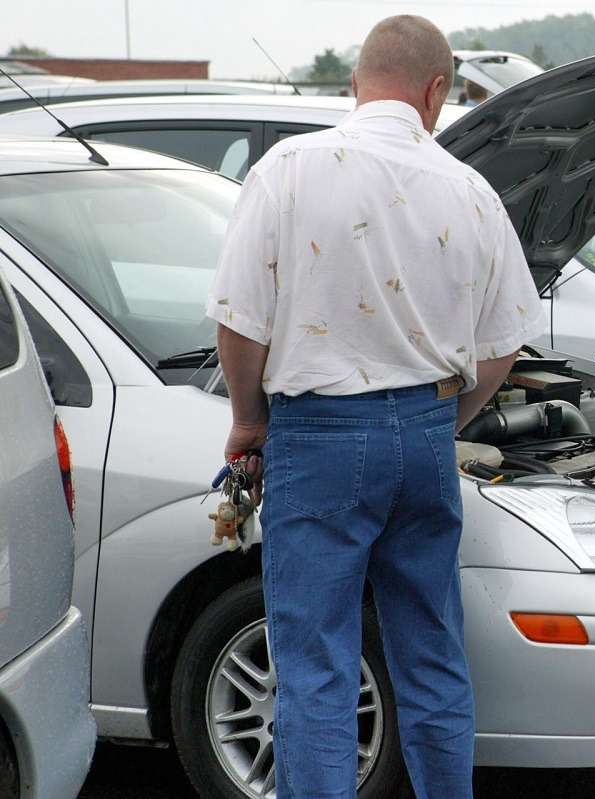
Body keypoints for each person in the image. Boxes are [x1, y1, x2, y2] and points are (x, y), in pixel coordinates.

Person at [207, 15, 545, 799]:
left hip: (320, 435)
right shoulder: (471, 188)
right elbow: (504, 342)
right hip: (425, 436)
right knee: (431, 654)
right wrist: (442, 419)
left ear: (355, 85)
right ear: (437, 92)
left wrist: (249, 420)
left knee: (316, 663)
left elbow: (239, 317)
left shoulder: (292, 168)